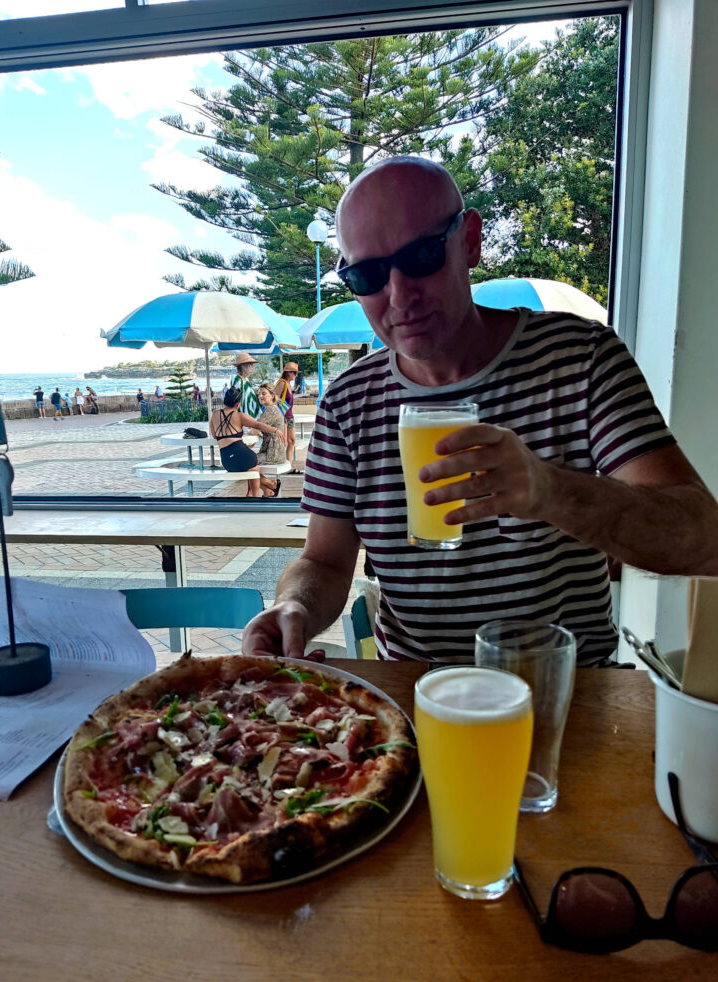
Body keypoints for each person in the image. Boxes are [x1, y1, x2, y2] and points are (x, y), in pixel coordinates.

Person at [242, 154, 718, 667]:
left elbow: (702, 539)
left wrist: (550, 490)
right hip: (414, 701)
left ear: (470, 240)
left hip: (567, 698)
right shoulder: (347, 401)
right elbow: (325, 560)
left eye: (423, 255)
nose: (399, 295)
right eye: (368, 275)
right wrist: (294, 604)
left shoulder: (581, 358)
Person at [209, 387, 285, 498]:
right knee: (254, 469)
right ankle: (256, 495)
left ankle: (265, 491)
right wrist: (275, 430)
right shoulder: (239, 416)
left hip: (227, 461)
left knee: (253, 469)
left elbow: (215, 435)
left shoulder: (215, 414)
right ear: (238, 404)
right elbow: (258, 425)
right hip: (243, 455)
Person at [255, 384, 287, 496]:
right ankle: (268, 491)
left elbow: (255, 427)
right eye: (259, 394)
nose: (260, 396)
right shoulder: (271, 409)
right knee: (247, 464)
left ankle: (271, 484)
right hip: (276, 452)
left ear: (272, 395)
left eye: (264, 394)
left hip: (273, 454)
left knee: (245, 463)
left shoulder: (271, 410)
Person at [273, 361, 298, 468]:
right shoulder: (282, 383)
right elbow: (273, 399)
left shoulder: (289, 385)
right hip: (282, 417)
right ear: (289, 373)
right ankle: (282, 464)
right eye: (295, 373)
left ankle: (289, 464)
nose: (296, 375)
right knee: (283, 442)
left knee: (291, 441)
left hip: (289, 416)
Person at [230, 352, 261, 417]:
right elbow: (236, 397)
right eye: (251, 365)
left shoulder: (246, 379)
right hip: (243, 414)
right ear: (245, 366)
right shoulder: (236, 379)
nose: (253, 367)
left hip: (250, 413)